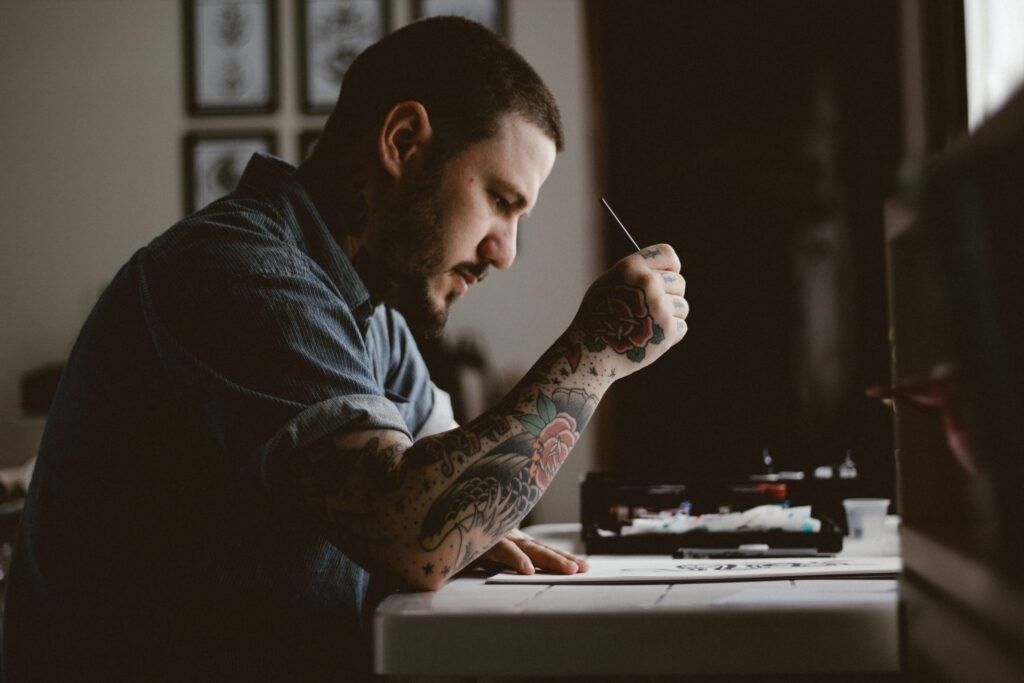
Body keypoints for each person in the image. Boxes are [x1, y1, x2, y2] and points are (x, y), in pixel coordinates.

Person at [2, 16, 688, 682]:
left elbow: (450, 489)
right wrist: (597, 351)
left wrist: (461, 521)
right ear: (403, 140)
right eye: (500, 201)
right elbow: (416, 527)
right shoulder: (239, 270)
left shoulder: (369, 311)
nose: (505, 251)